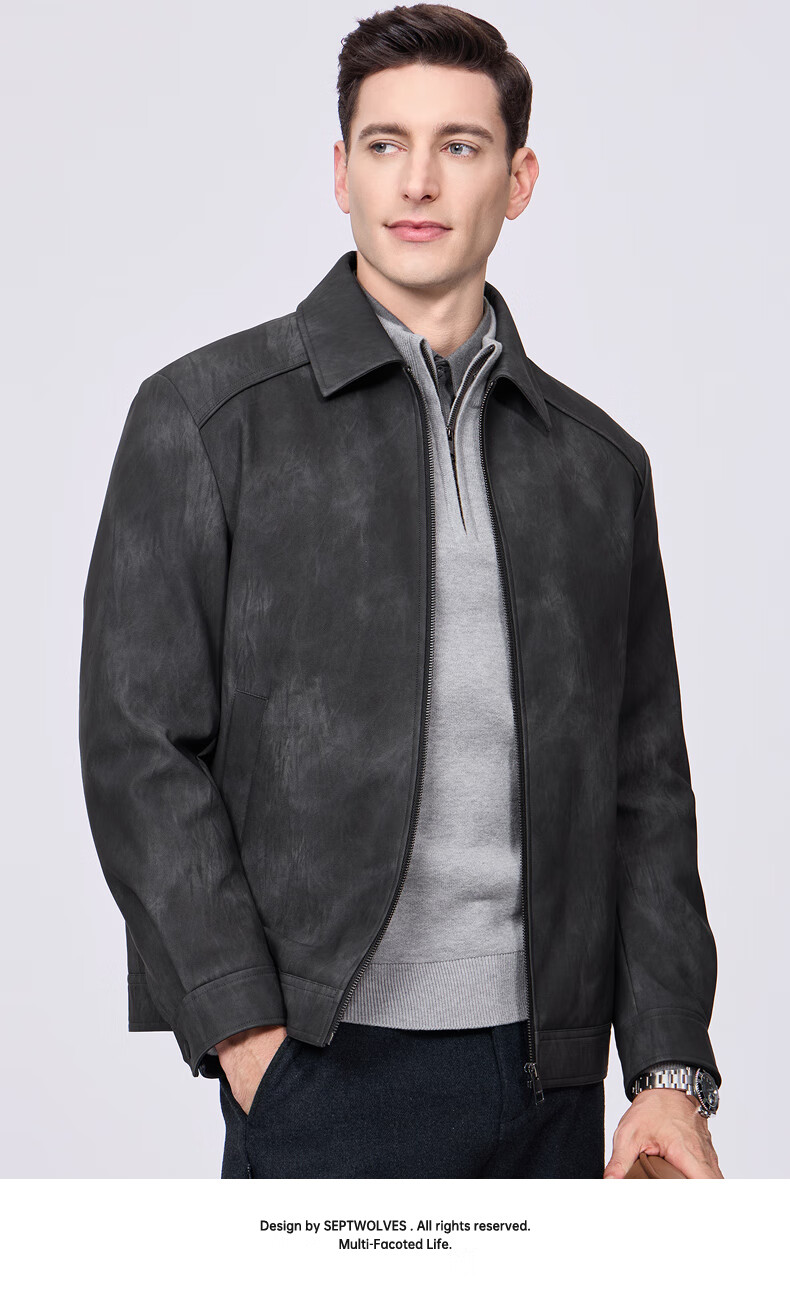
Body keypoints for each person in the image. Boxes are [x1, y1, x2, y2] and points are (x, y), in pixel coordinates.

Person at [78, 3, 722, 1179]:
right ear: (342, 172)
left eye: (459, 145)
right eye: (385, 144)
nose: (417, 180)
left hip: (552, 1076)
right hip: (323, 1067)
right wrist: (243, 1030)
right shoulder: (209, 418)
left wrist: (669, 1072)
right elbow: (136, 745)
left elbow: (645, 788)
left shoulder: (596, 466)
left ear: (517, 180)